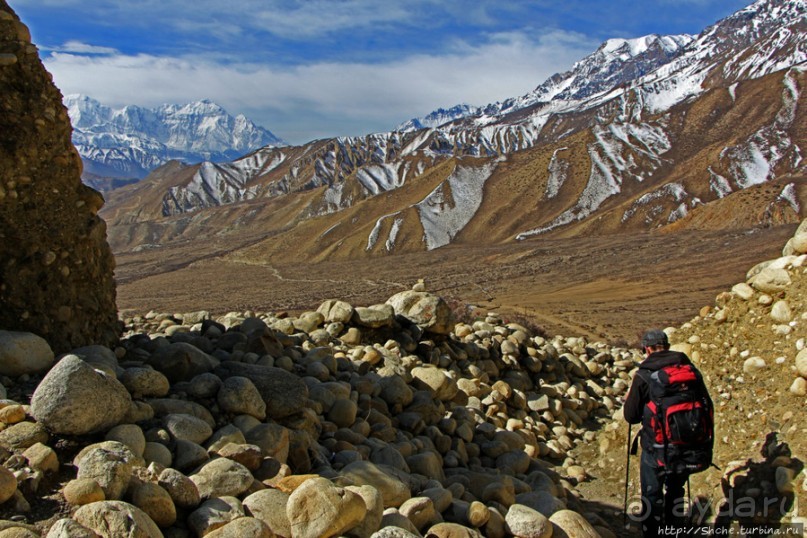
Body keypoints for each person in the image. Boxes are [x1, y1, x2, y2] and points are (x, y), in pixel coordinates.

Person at [623, 328, 710, 537]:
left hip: (656, 447)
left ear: (647, 349)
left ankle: (652, 533)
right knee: (676, 490)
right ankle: (674, 531)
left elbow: (631, 416)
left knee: (652, 494)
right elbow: (706, 405)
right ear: (668, 347)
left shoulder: (644, 374)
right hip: (687, 444)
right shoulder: (690, 371)